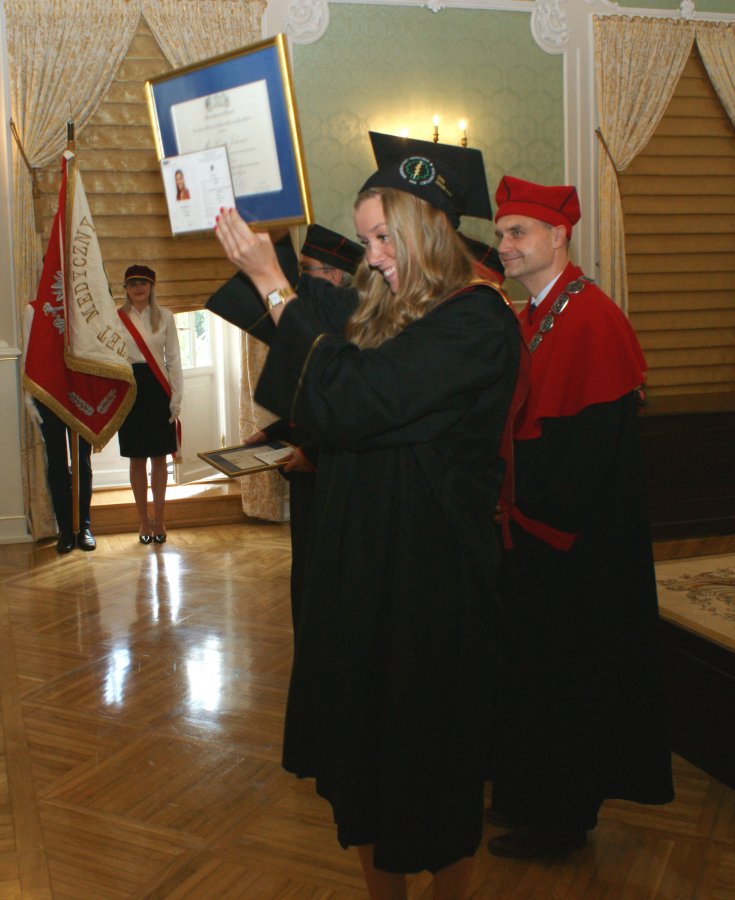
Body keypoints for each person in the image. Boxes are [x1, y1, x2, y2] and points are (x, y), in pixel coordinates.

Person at [214, 146, 521, 897]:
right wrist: (262, 241)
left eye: (385, 238)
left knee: (431, 764)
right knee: (362, 764)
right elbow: (310, 334)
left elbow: (353, 397)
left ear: (427, 233)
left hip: (430, 586)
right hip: (359, 574)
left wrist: (273, 282)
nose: (372, 255)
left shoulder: (477, 320)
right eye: (366, 238)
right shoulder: (389, 311)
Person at [487, 176, 674, 858]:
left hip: (571, 544)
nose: (504, 245)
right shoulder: (536, 311)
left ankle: (559, 820)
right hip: (535, 532)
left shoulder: (591, 316)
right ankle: (525, 798)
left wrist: (522, 506)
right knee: (531, 675)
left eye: (517, 232)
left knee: (564, 681)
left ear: (558, 235)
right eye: (500, 233)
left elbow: (588, 453)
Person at [244, 225, 362, 631]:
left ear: (335, 276)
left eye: (307, 270)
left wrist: (311, 453)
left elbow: (349, 407)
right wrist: (273, 432)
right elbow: (307, 399)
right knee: (307, 573)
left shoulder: (356, 328)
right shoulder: (317, 322)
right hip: (307, 472)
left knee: (329, 578)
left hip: (335, 475)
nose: (301, 282)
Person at [115, 265, 182, 544]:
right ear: (126, 289)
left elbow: (174, 359)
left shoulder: (165, 316)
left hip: (158, 389)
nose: (138, 287)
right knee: (137, 458)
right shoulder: (116, 318)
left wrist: (176, 397)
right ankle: (143, 520)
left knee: (159, 458)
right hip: (130, 388)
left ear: (152, 286)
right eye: (132, 283)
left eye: (143, 282)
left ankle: (160, 519)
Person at [22, 305, 95, 554]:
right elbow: (30, 353)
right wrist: (29, 398)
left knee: (82, 462)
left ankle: (83, 527)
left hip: (81, 393)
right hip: (49, 394)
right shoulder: (33, 309)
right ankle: (65, 529)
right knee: (57, 463)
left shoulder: (84, 302)